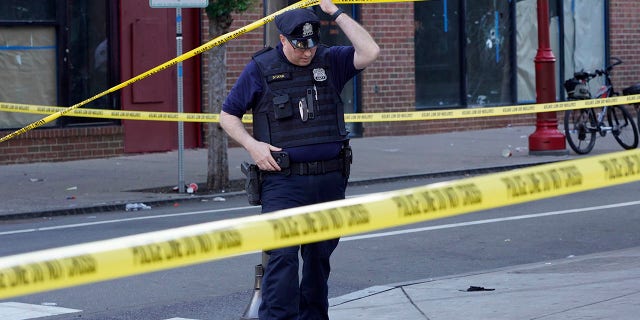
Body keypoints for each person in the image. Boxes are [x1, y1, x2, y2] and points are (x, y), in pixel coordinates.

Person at [220, 0, 379, 318]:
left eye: (310, 45)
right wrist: (253, 146)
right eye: (298, 46)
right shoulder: (262, 68)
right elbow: (228, 115)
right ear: (282, 40)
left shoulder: (330, 60)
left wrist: (335, 12)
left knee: (320, 260)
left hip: (329, 180)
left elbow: (370, 51)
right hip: (283, 180)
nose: (306, 53)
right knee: (283, 257)